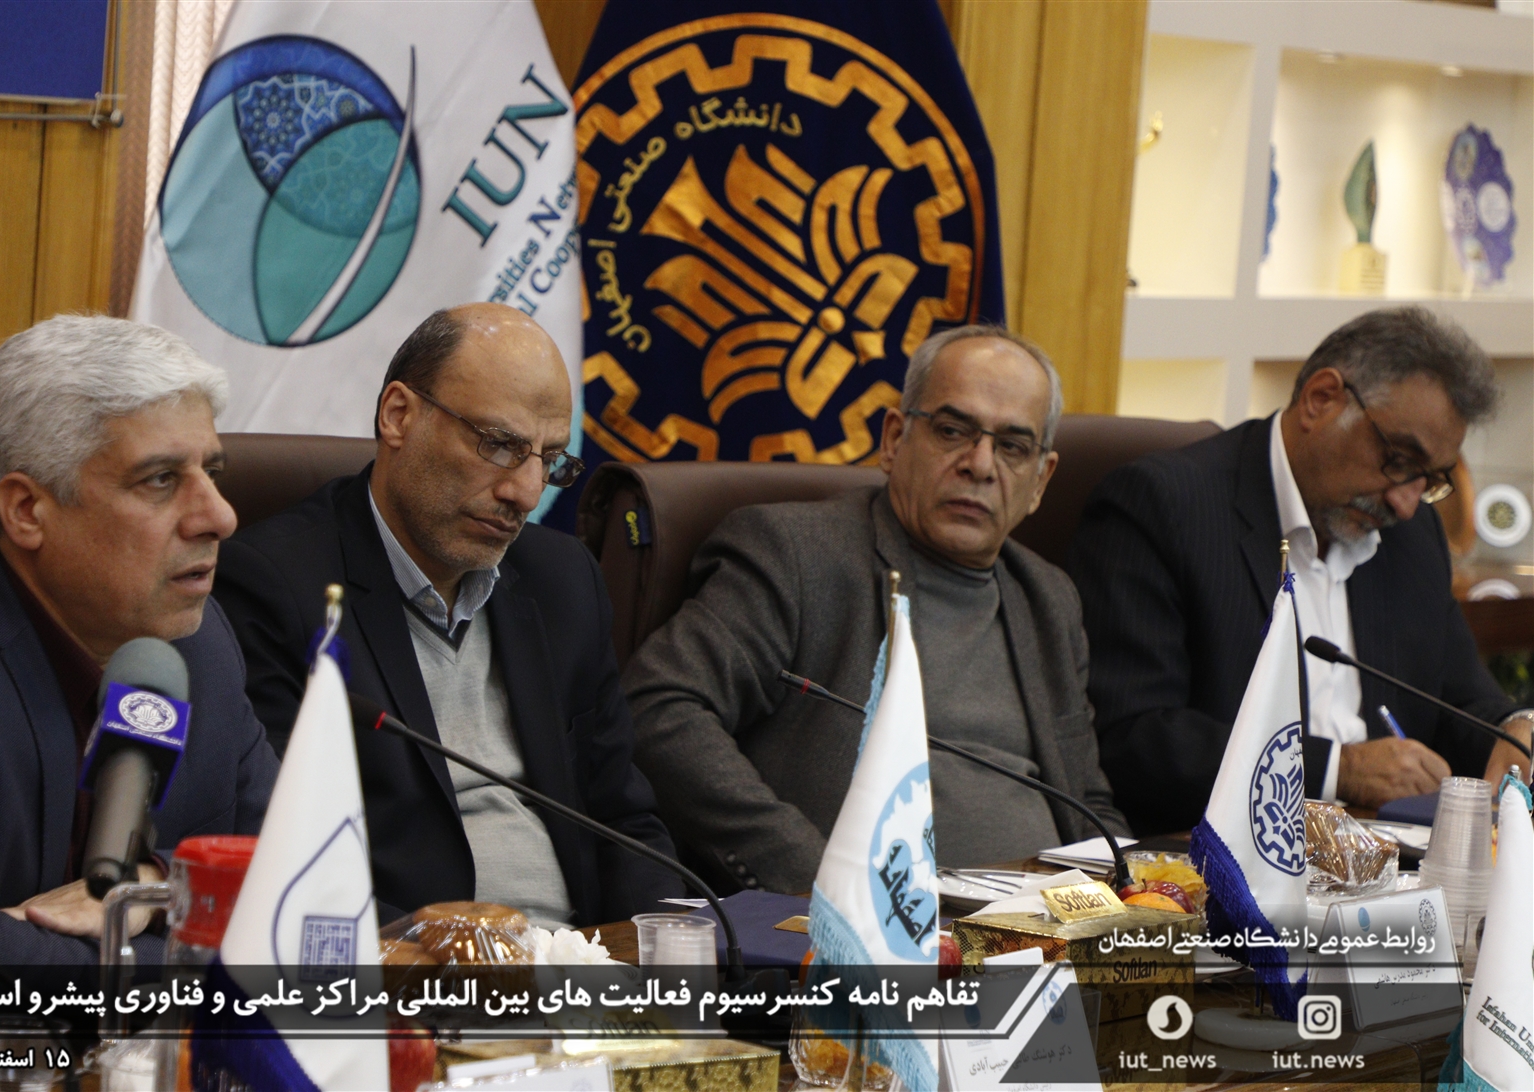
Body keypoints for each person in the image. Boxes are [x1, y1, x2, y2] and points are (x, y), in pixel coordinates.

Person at [215, 303, 681, 927]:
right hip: (407, 964)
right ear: (398, 415)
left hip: (582, 959)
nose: (525, 493)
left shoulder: (563, 579)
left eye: (549, 460)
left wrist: (675, 944)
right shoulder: (276, 588)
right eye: (499, 445)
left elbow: (622, 819)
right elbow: (281, 855)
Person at [624, 326, 1130, 895]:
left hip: (1048, 921)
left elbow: (1086, 800)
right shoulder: (797, 553)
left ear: (1041, 480)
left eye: (1013, 446)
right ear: (893, 439)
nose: (981, 464)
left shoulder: (1049, 597)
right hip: (871, 929)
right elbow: (659, 707)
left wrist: (1131, 896)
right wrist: (822, 881)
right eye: (952, 431)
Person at [0, 315, 279, 964]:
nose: (220, 515)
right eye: (160, 480)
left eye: (212, 472)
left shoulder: (196, 638)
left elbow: (303, 878)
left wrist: (158, 884)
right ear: (27, 511)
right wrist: (199, 960)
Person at [1070, 307, 1532, 836]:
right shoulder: (1162, 506)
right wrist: (1338, 770)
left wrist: (1513, 731)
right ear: (1321, 399)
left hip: (1388, 857)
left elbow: (1462, 703)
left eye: (1428, 480)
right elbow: (1133, 736)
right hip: (1216, 860)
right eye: (1400, 461)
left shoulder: (1411, 536)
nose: (1406, 503)